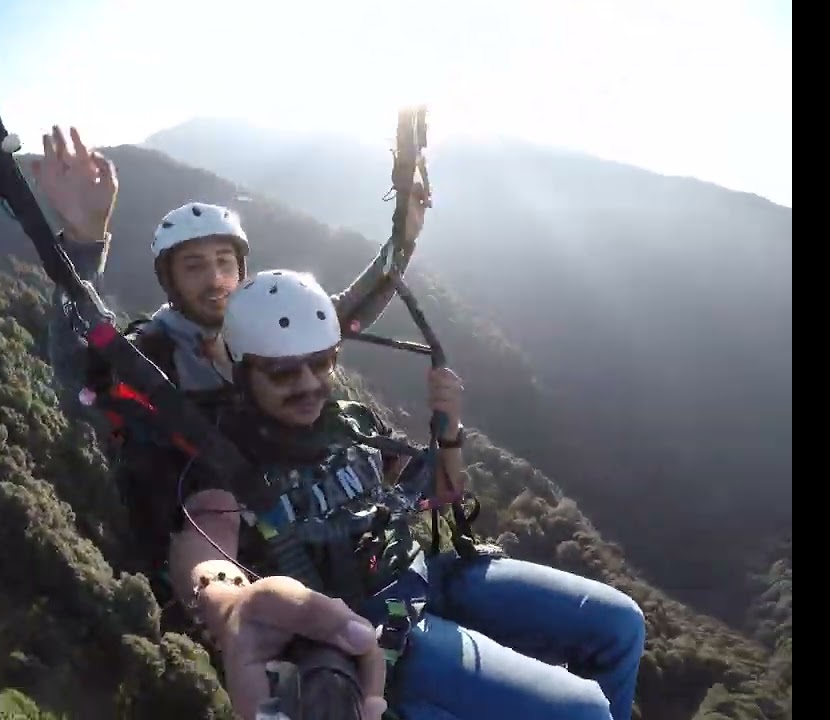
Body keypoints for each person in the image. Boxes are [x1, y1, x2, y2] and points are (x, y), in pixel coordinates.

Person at [167, 270, 647, 720]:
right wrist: (230, 606)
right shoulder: (225, 460)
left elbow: (444, 491)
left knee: (621, 625)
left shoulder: (350, 421)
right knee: (581, 710)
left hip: (423, 573)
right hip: (372, 627)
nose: (310, 384)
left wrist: (449, 427)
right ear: (243, 368)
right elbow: (206, 550)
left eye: (321, 362)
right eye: (283, 373)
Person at [32, 126, 428, 610]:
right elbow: (80, 379)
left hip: (317, 531)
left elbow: (346, 310)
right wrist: (82, 245)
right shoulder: (154, 353)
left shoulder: (266, 325)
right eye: (194, 266)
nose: (216, 280)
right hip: (228, 555)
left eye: (225, 262)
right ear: (169, 280)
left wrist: (403, 238)